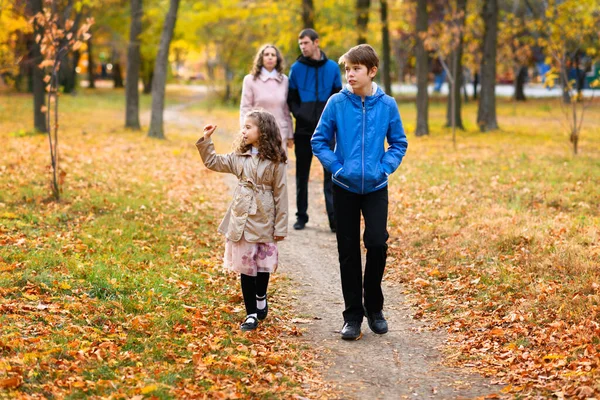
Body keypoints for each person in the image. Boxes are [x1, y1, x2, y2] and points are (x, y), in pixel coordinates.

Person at [311, 44, 408, 341]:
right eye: (347, 69)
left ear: (371, 71)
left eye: (355, 69)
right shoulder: (337, 103)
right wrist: (337, 169)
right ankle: (353, 316)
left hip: (376, 186)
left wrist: (384, 168)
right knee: (348, 252)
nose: (349, 74)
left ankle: (374, 308)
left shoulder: (387, 104)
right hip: (344, 187)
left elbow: (399, 143)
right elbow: (319, 141)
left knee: (377, 243)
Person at [195, 110, 288, 331]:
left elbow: (281, 194)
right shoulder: (239, 157)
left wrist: (281, 226)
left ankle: (261, 295)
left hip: (265, 218)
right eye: (243, 127)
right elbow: (213, 162)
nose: (243, 131)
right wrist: (207, 141)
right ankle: (251, 314)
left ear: (262, 131)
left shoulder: (275, 161)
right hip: (242, 217)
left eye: (248, 127)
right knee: (247, 267)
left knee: (262, 266)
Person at [287, 28, 342, 232]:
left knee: (330, 174)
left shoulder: (333, 68)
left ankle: (334, 220)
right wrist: (302, 115)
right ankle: (301, 216)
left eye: (306, 43)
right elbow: (291, 99)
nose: (303, 47)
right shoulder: (296, 68)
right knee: (302, 174)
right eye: (300, 44)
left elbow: (338, 97)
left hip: (328, 131)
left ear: (316, 42)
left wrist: (331, 120)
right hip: (303, 130)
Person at [240, 44, 294, 155]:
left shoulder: (284, 80)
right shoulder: (250, 80)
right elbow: (245, 108)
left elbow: (286, 110)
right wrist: (244, 131)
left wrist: (290, 134)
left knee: (279, 168)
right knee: (258, 169)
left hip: (280, 132)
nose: (270, 57)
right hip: (258, 133)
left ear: (277, 59)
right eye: (266, 54)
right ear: (261, 58)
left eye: (273, 55)